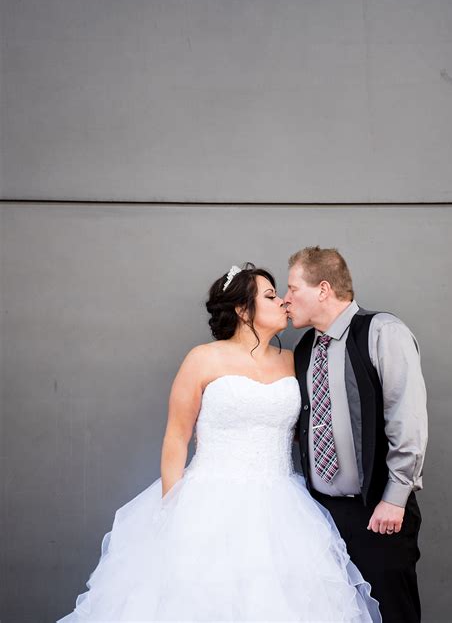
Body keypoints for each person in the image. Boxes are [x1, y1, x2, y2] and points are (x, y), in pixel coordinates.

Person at [57, 262, 381, 623]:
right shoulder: (202, 359)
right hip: (207, 505)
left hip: (282, 509)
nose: (284, 302)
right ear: (243, 309)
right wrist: (171, 511)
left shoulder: (295, 362)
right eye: (271, 295)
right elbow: (176, 439)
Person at [284, 246, 428, 623]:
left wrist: (394, 498)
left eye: (292, 288)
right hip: (323, 517)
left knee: (391, 613)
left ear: (323, 289)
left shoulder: (382, 331)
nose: (286, 300)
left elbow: (407, 419)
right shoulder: (303, 350)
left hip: (378, 510)